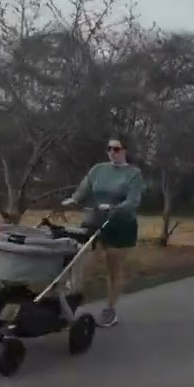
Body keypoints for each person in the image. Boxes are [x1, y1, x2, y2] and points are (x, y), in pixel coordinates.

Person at [61, 137, 144, 327]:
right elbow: (84, 188)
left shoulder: (133, 174)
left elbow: (133, 201)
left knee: (113, 270)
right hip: (94, 222)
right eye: (109, 149)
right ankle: (68, 305)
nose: (112, 152)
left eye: (116, 149)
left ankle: (110, 310)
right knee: (82, 265)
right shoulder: (99, 169)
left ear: (125, 151)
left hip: (121, 225)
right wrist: (73, 200)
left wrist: (114, 207)